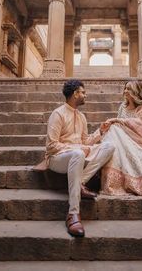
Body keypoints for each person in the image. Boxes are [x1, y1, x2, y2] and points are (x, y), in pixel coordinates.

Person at [43, 79, 115, 237]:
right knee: (78, 153)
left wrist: (100, 132)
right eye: (83, 92)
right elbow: (51, 146)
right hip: (58, 159)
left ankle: (80, 182)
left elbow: (85, 142)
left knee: (109, 146)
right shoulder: (58, 114)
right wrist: (77, 148)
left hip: (79, 156)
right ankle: (73, 213)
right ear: (75, 94)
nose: (85, 95)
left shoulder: (81, 116)